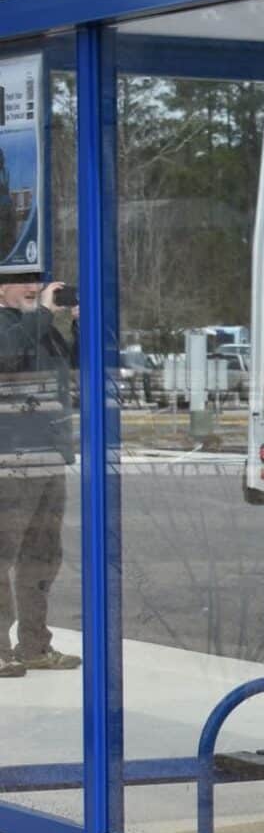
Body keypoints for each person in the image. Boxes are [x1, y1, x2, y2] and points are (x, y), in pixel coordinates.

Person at [0, 276, 80, 680]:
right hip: (9, 461)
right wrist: (45, 314)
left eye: (38, 280)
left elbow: (81, 366)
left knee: (42, 558)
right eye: (22, 281)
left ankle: (34, 645)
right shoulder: (11, 326)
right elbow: (7, 356)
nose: (34, 286)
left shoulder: (42, 328)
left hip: (48, 457)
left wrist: (80, 321)